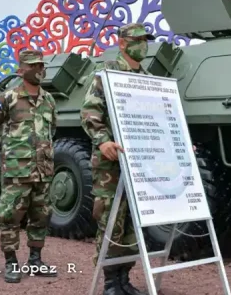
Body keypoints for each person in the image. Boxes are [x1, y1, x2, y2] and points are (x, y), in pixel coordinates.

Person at [80, 22, 154, 295]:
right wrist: (102, 141)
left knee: (134, 223)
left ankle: (124, 278)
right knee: (112, 219)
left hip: (139, 163)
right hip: (111, 164)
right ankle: (110, 282)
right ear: (122, 43)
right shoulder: (107, 73)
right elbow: (89, 112)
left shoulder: (148, 78)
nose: (143, 44)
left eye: (146, 40)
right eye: (138, 39)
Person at [0, 49, 58, 283]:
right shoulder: (8, 98)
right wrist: (9, 150)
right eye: (33, 66)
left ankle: (35, 261)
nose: (38, 69)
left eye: (40, 65)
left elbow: (52, 131)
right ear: (21, 70)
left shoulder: (49, 100)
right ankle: (11, 263)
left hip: (43, 171)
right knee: (9, 216)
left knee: (41, 216)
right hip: (18, 171)